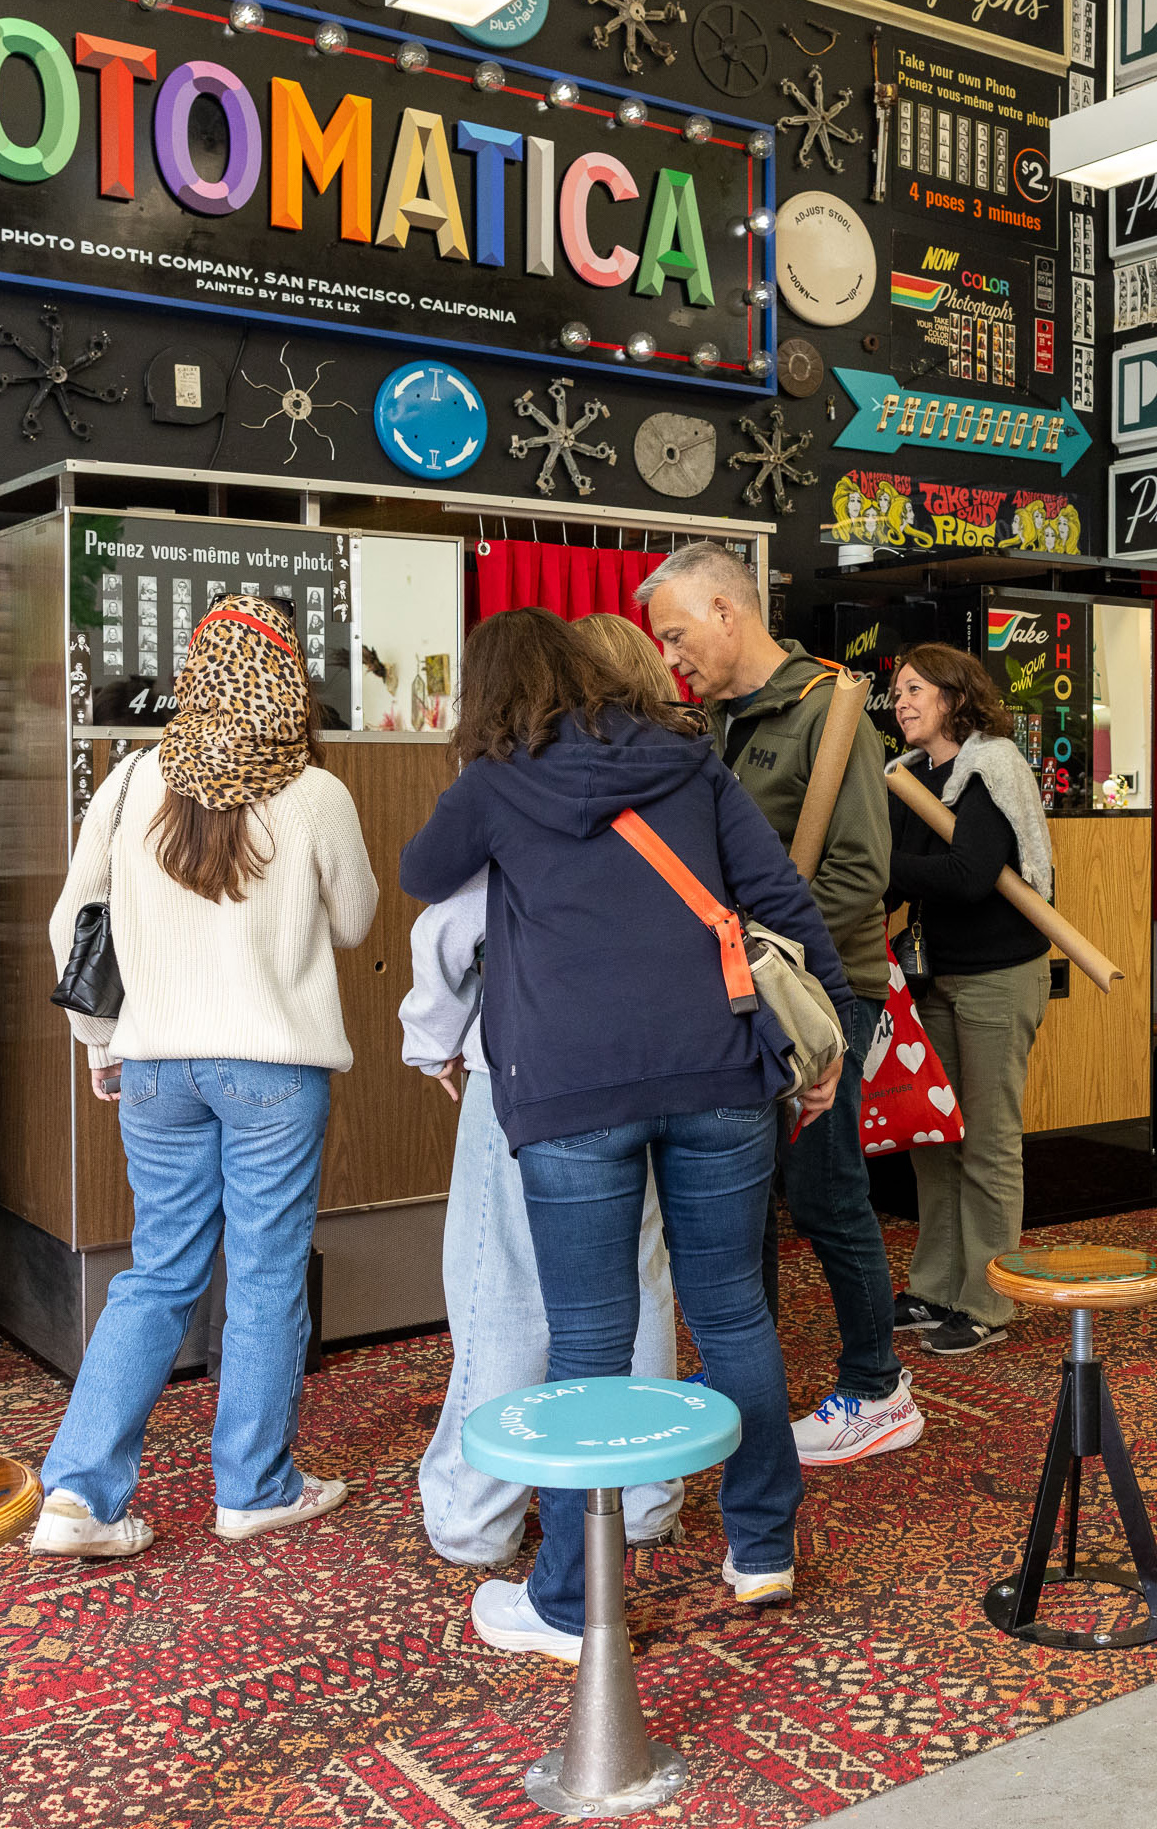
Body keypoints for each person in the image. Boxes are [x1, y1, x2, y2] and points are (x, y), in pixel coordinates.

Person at [401, 606, 851, 1658]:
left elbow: (427, 876)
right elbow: (782, 898)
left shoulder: (494, 783)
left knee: (589, 1349)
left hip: (569, 1092)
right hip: (717, 1075)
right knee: (730, 1313)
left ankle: (566, 1601)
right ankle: (761, 1547)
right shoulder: (690, 765)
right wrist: (826, 1056)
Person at [34, 594, 378, 1559]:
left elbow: (74, 925)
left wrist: (102, 1040)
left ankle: (78, 1495)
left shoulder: (133, 777)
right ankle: (254, 1487)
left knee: (158, 1272)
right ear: (285, 683)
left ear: (194, 677)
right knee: (265, 1278)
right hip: (272, 1069)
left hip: (152, 1063)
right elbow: (353, 922)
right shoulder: (314, 793)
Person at [401, 613, 684, 1572]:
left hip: (529, 1074)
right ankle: (644, 1493)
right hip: (658, 1068)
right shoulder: (679, 777)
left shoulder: (524, 781)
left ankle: (477, 1513)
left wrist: (431, 1039)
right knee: (637, 1282)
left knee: (502, 1286)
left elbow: (449, 928)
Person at [639, 544, 923, 1468]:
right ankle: (736, 1376)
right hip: (734, 994)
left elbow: (855, 877)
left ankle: (878, 1387)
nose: (671, 656)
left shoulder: (829, 712)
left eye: (678, 634)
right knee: (742, 1197)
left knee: (827, 1192)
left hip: (816, 996)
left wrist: (774, 970)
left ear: (727, 611)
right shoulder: (716, 722)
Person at [887, 644, 1053, 1355]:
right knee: (934, 1138)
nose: (901, 701)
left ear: (954, 697)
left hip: (996, 975)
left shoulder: (992, 766)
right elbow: (900, 884)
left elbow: (968, 873)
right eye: (896, 690)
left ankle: (987, 1297)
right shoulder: (906, 774)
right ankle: (934, 1286)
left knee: (986, 1141)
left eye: (915, 688)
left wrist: (872, 862)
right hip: (933, 976)